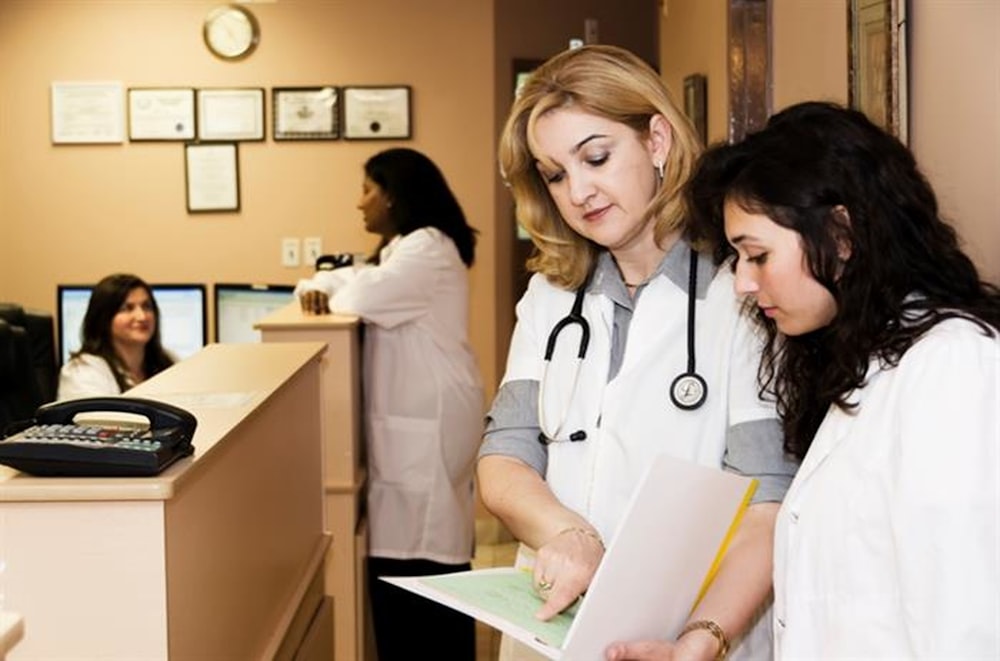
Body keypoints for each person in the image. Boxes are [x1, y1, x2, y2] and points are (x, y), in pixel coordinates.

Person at [477, 44, 799, 661]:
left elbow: (768, 498)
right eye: (555, 174)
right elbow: (504, 456)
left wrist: (702, 639)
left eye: (596, 157)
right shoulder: (550, 295)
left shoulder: (744, 289)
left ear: (656, 140)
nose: (578, 191)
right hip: (552, 619)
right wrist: (569, 533)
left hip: (690, 626)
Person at [686, 100, 1000, 658]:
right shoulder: (859, 366)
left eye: (756, 255)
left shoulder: (952, 368)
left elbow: (967, 624)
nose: (741, 284)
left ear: (841, 235)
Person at [294, 147, 485, 661]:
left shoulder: (427, 246)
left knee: (424, 562)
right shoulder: (405, 246)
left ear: (393, 195)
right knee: (413, 551)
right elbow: (345, 275)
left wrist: (331, 282)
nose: (359, 205)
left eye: (366, 190)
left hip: (430, 418)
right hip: (421, 415)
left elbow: (360, 295)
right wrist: (322, 281)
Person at [57, 273, 174, 401]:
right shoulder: (83, 371)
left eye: (147, 307)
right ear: (104, 318)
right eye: (127, 308)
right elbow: (97, 419)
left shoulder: (168, 362)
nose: (142, 317)